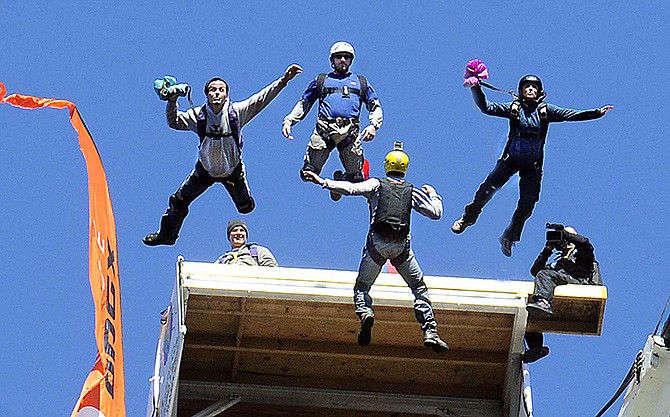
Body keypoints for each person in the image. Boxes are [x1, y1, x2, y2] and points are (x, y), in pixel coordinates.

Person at [302, 143, 449, 352]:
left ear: (386, 166)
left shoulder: (376, 185)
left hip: (376, 246)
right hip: (401, 248)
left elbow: (352, 188)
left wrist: (324, 182)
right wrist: (434, 194)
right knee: (419, 288)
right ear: (404, 168)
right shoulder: (411, 191)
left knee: (362, 287)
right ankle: (430, 330)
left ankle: (365, 313)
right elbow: (436, 213)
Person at [452, 73, 614, 257]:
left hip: (532, 166)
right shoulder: (514, 108)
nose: (530, 89)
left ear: (539, 92)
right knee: (486, 191)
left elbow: (571, 115)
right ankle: (468, 218)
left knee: (527, 204)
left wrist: (596, 113)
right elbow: (486, 107)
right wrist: (476, 87)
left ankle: (509, 236)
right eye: (526, 87)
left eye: (533, 87)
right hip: (510, 160)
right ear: (521, 91)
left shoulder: (545, 111)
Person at [143, 64, 302, 246]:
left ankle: (244, 201)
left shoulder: (237, 112)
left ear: (227, 94)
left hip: (232, 172)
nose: (217, 93)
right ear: (207, 95)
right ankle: (166, 236)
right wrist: (172, 100)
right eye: (212, 90)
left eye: (221, 90)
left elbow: (261, 99)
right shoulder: (198, 115)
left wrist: (284, 80)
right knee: (178, 201)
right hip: (205, 172)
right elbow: (174, 122)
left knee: (245, 208)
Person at [282, 41, 383, 200]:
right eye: (339, 57)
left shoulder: (360, 82)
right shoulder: (322, 80)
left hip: (349, 133)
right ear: (332, 60)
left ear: (351, 60)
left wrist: (373, 126)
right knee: (308, 173)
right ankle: (331, 180)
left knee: (357, 179)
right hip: (325, 131)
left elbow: (375, 105)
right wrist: (289, 121)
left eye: (346, 57)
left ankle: (339, 183)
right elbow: (304, 103)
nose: (342, 60)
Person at [523, 223, 602, 362]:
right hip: (564, 283)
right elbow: (535, 271)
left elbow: (585, 243)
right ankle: (536, 348)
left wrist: (565, 233)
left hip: (581, 283)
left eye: (567, 237)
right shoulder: (558, 264)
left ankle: (545, 303)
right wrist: (547, 250)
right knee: (529, 313)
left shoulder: (582, 255)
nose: (563, 241)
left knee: (545, 276)